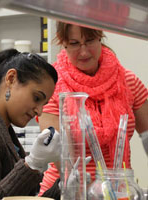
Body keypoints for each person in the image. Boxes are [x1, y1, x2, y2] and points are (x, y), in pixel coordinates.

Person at [38, 22, 148, 197]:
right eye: (74, 43)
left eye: (89, 41)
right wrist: (76, 190)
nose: (83, 51)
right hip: (67, 192)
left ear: (100, 37)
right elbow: (55, 151)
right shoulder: (53, 86)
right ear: (63, 42)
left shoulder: (127, 81)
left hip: (116, 192)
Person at [0, 48, 61, 199]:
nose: (39, 112)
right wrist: (31, 164)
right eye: (37, 98)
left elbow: (24, 197)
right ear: (11, 78)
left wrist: (63, 186)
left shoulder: (8, 133)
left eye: (44, 104)